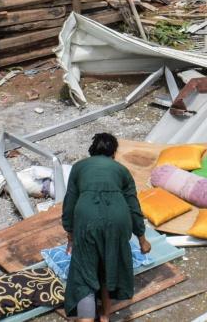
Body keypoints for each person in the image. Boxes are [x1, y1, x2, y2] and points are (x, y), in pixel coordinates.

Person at [61, 133, 150, 322]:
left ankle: (86, 319)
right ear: (114, 152)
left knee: (85, 272)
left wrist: (70, 234)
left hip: (87, 217)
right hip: (118, 218)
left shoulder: (79, 167)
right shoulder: (122, 170)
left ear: (92, 150)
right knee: (110, 265)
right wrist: (142, 239)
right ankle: (105, 316)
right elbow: (133, 206)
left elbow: (70, 202)